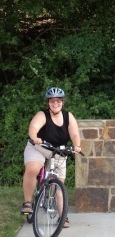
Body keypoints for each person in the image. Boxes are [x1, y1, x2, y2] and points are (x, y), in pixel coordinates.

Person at [20, 87, 82, 228]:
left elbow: (74, 134)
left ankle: (62, 217)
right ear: (48, 102)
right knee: (32, 169)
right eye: (52, 101)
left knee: (59, 184)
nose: (55, 103)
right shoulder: (42, 115)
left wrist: (77, 145)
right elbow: (33, 127)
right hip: (39, 148)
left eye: (58, 101)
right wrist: (35, 137)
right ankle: (28, 202)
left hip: (58, 151)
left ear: (63, 102)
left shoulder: (68, 116)